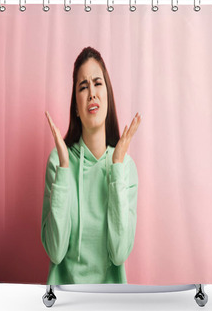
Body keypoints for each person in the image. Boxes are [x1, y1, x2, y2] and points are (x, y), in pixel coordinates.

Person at [41, 46, 142, 284]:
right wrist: (65, 169)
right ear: (76, 106)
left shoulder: (126, 167)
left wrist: (116, 167)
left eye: (98, 84)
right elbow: (55, 251)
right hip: (65, 300)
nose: (92, 94)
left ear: (108, 95)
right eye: (83, 87)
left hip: (111, 302)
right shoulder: (57, 161)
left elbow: (119, 254)